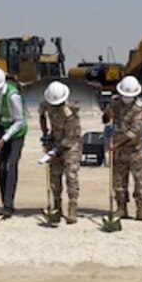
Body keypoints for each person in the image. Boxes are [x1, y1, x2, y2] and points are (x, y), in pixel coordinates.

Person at [102, 75, 142, 221]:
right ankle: (121, 208)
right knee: (119, 179)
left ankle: (141, 209)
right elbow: (105, 119)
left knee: (140, 179)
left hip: (136, 150)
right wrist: (106, 115)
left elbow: (133, 133)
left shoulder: (140, 108)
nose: (127, 98)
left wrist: (116, 145)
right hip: (119, 150)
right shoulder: (115, 102)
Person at [39, 81, 82, 224]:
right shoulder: (47, 102)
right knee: (55, 175)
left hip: (70, 146)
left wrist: (55, 153)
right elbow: (42, 114)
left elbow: (70, 138)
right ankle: (57, 206)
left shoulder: (71, 113)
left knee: (71, 176)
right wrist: (45, 133)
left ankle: (72, 207)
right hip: (55, 141)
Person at [0, 67, 26, 218]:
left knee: (11, 165)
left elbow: (19, 121)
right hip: (2, 130)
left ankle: (9, 205)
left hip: (16, 133)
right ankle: (3, 202)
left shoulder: (13, 95)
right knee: (1, 167)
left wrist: (5, 138)